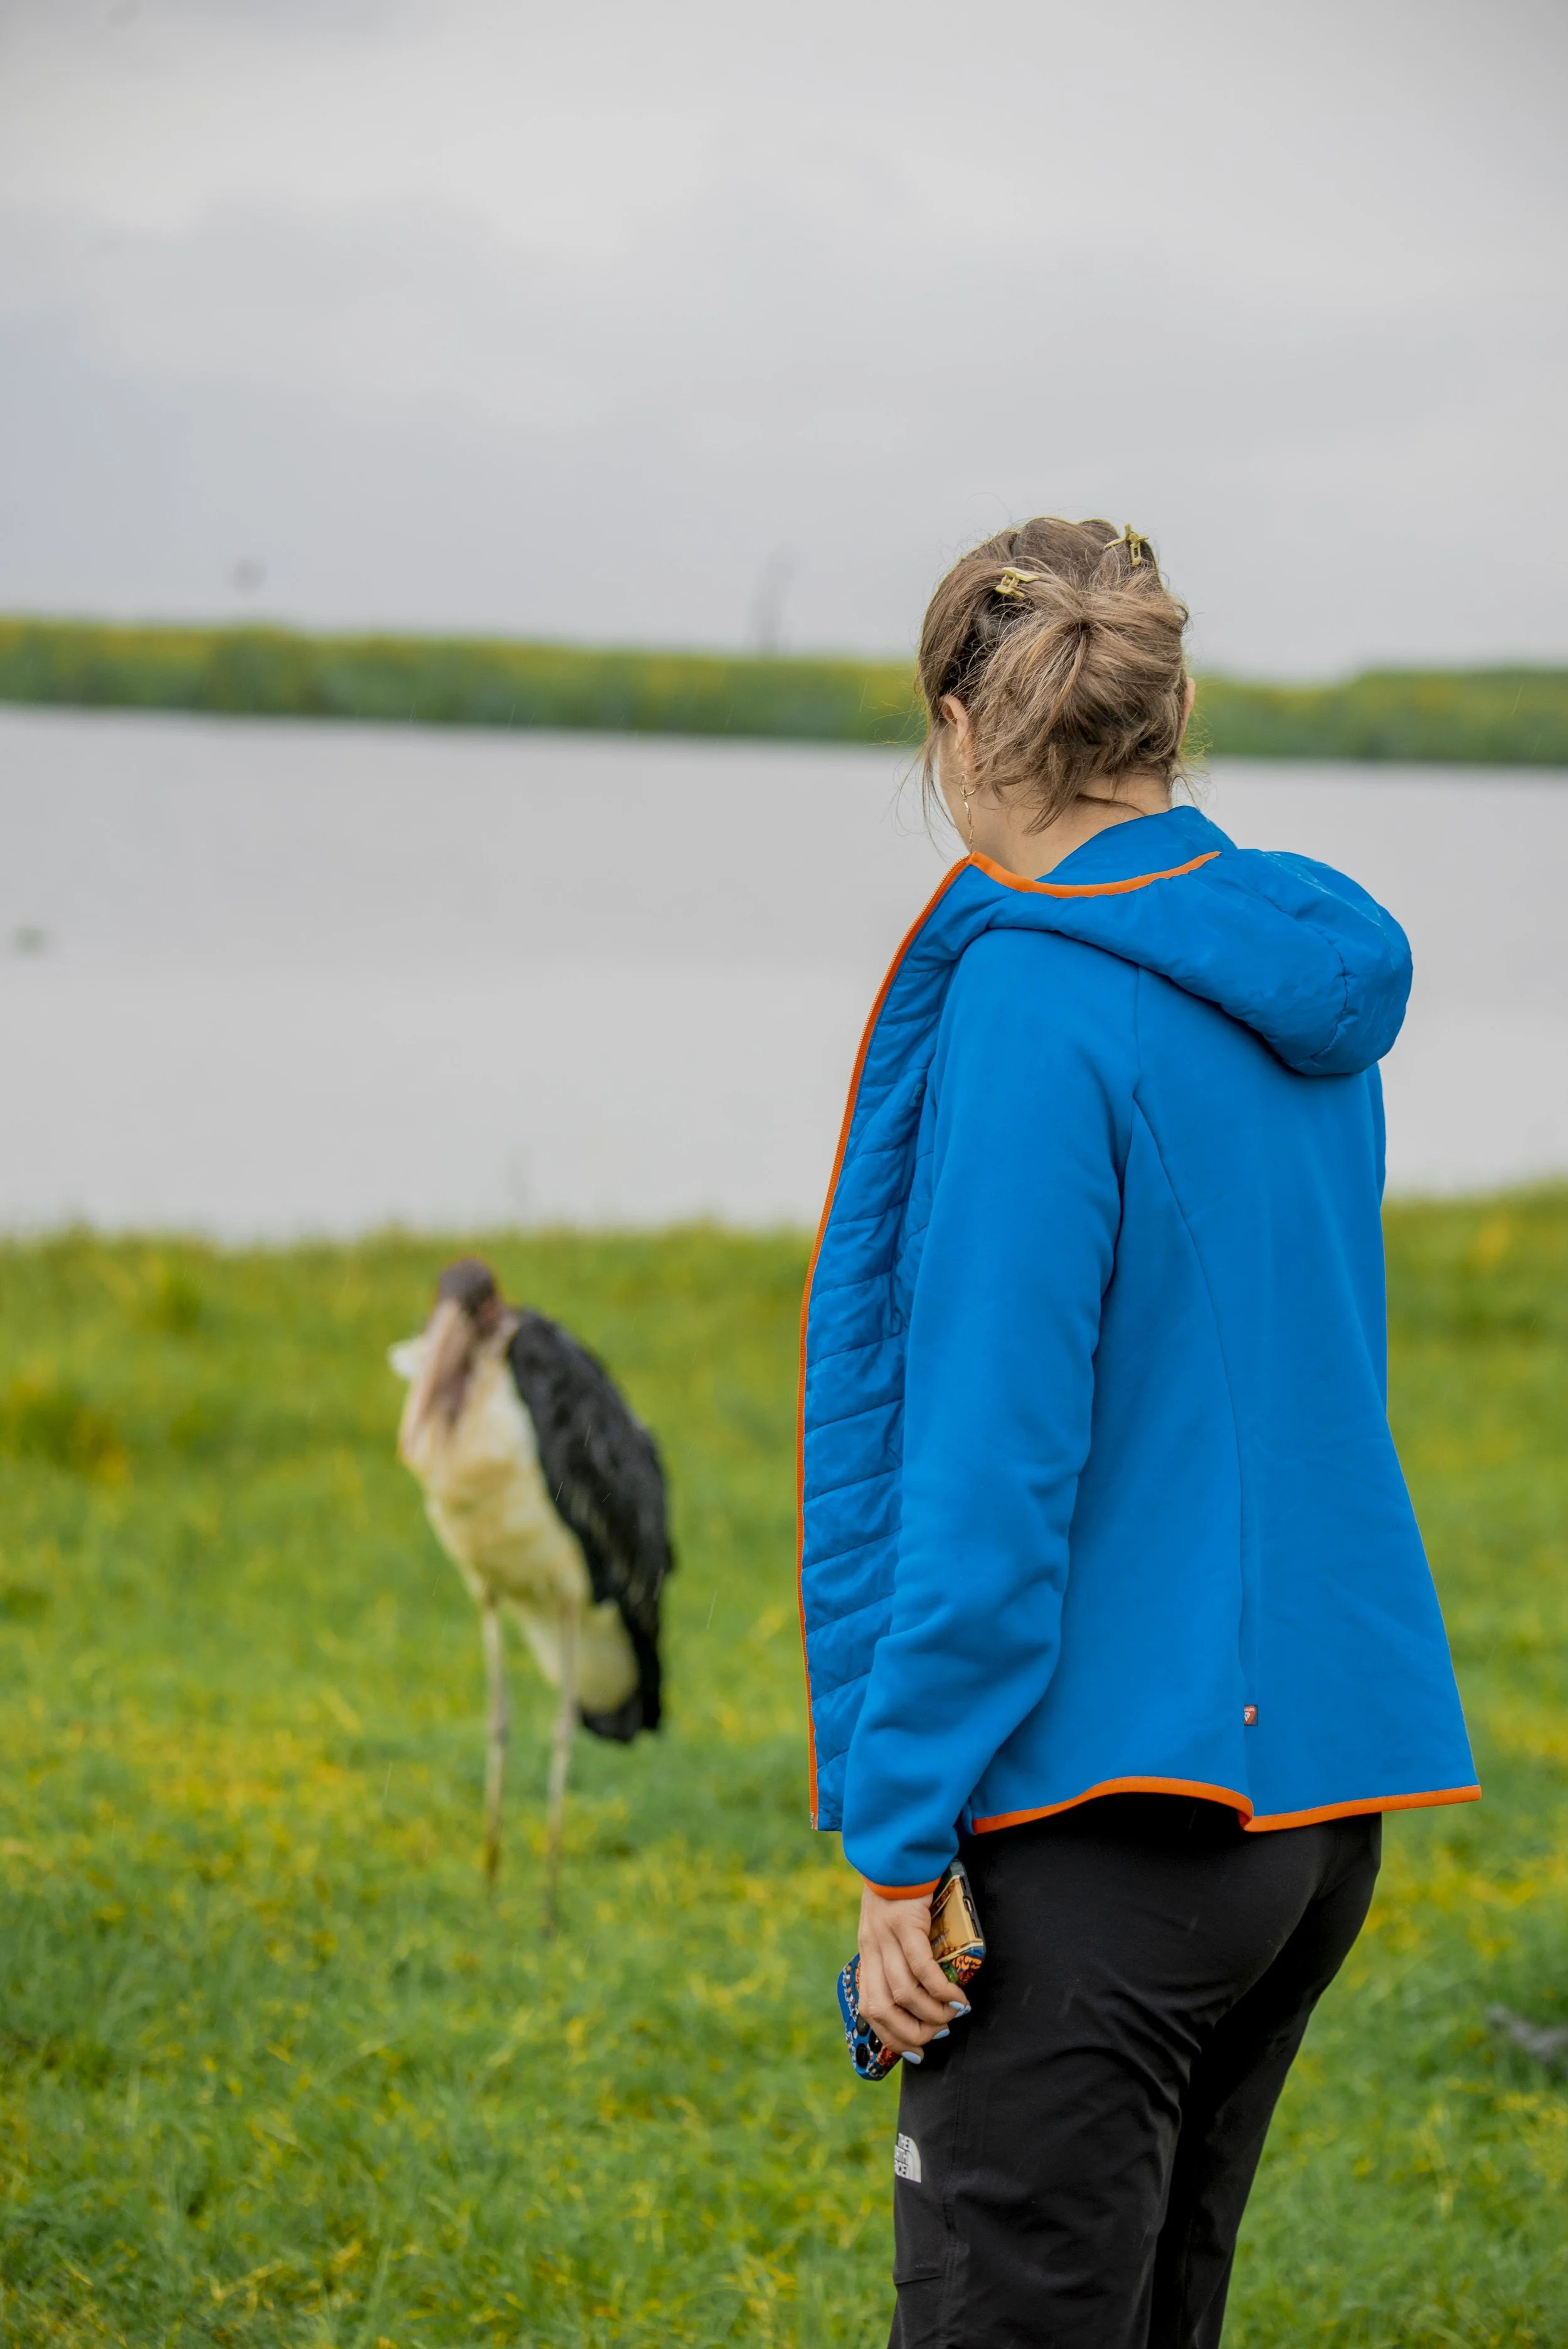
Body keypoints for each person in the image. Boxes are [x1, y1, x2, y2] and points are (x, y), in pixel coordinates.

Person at [796, 517, 1477, 2349]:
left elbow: (990, 1476)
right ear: (1166, 720)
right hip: (1304, 1820)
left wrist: (893, 1839)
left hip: (1112, 1818)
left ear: (954, 724)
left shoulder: (1035, 993)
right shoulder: (1288, 974)